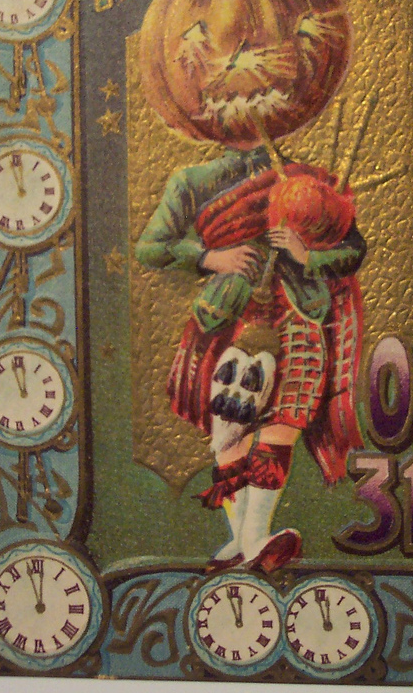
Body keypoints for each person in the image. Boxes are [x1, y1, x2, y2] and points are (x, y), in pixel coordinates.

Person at [135, 143, 366, 573]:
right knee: (230, 428)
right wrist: (209, 257)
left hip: (299, 314)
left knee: (283, 422)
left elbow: (353, 250)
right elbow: (150, 247)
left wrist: (307, 255)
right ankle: (247, 542)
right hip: (228, 314)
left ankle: (252, 538)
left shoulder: (310, 176)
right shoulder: (193, 181)